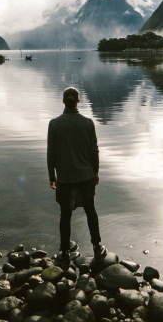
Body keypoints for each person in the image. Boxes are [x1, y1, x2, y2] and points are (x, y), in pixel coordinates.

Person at [47, 86, 107, 264]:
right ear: (78, 101)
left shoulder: (54, 124)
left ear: (63, 101)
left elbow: (52, 153)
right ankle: (97, 247)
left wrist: (52, 176)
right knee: (90, 210)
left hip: (65, 177)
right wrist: (95, 171)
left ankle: (64, 252)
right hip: (86, 176)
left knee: (65, 215)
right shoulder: (88, 123)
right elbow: (93, 150)